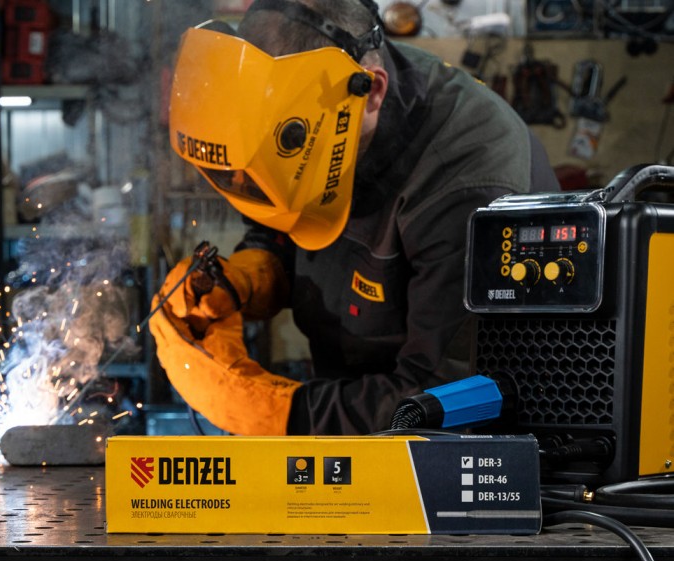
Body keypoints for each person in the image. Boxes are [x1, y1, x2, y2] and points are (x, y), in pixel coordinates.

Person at [149, 0, 559, 436]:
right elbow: (282, 218)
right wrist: (247, 277)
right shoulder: (329, 99)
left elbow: (440, 405)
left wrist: (268, 410)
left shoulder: (465, 184)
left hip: (478, 445)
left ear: (373, 92)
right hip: (355, 410)